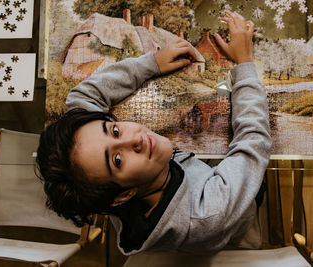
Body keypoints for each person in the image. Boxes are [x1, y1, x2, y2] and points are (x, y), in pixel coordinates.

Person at [36, 11, 271, 255]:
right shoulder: (210, 211)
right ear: (124, 195)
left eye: (114, 130)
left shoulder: (115, 184)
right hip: (234, 216)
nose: (134, 139)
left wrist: (152, 63)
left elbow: (80, 98)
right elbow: (252, 144)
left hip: (192, 167)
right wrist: (244, 62)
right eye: (117, 160)